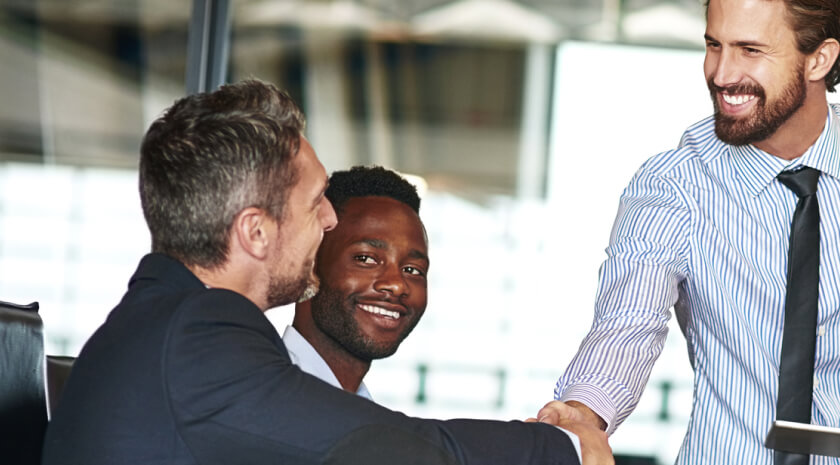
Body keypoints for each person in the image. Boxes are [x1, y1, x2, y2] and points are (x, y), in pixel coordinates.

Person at [535, 1, 840, 464]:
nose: (722, 74)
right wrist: (584, 412)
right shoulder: (674, 185)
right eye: (713, 45)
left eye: (751, 51)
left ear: (819, 60)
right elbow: (626, 327)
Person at [42, 79, 610, 465]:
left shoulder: (162, 318)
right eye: (316, 201)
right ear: (255, 231)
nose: (330, 218)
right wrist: (563, 448)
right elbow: (380, 443)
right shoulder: (199, 331)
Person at [286, 165, 428, 399]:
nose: (397, 285)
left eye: (412, 270)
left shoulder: (370, 416)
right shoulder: (253, 395)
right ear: (309, 262)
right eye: (366, 259)